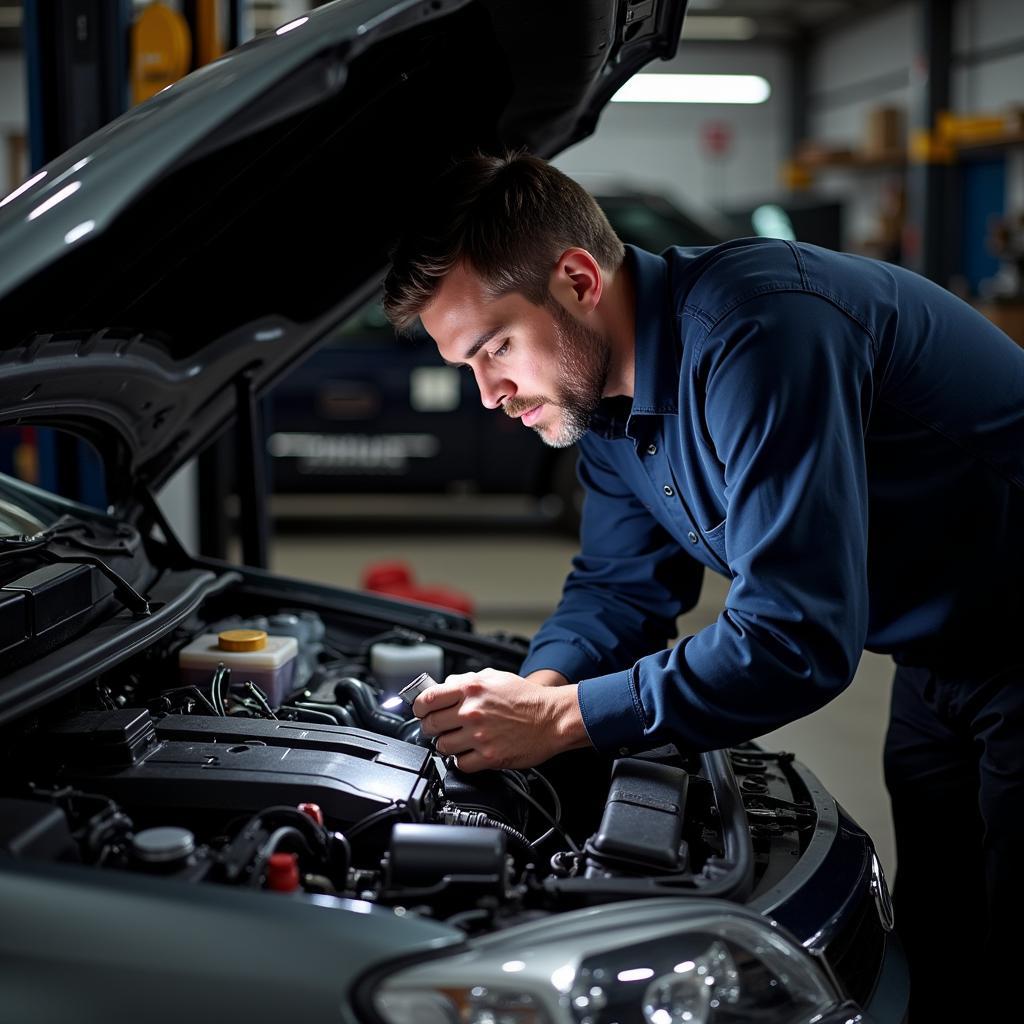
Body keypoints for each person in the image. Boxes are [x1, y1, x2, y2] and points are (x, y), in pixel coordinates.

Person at [382, 150, 1024, 1018]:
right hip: (936, 650)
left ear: (577, 279)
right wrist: (536, 691)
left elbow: (795, 637)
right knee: (940, 941)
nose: (490, 393)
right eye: (467, 366)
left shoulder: (762, 332)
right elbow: (618, 588)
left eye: (496, 347)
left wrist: (567, 721)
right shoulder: (600, 398)